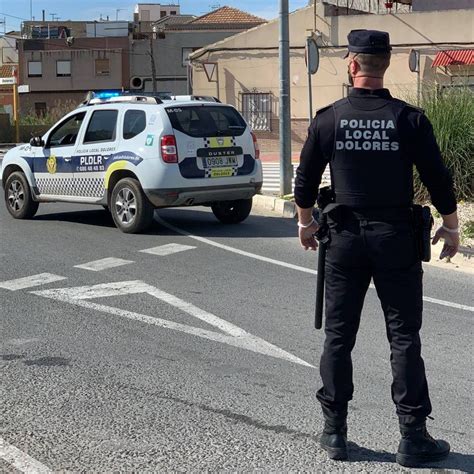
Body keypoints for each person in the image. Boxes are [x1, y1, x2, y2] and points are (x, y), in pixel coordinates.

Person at [294, 29, 459, 468]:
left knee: (338, 336)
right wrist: (452, 227)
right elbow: (440, 179)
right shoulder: (408, 119)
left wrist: (306, 223)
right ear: (385, 64)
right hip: (396, 238)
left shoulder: (329, 118)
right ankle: (412, 437)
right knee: (404, 337)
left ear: (352, 65)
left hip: (344, 240)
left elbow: (304, 181)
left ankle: (334, 433)